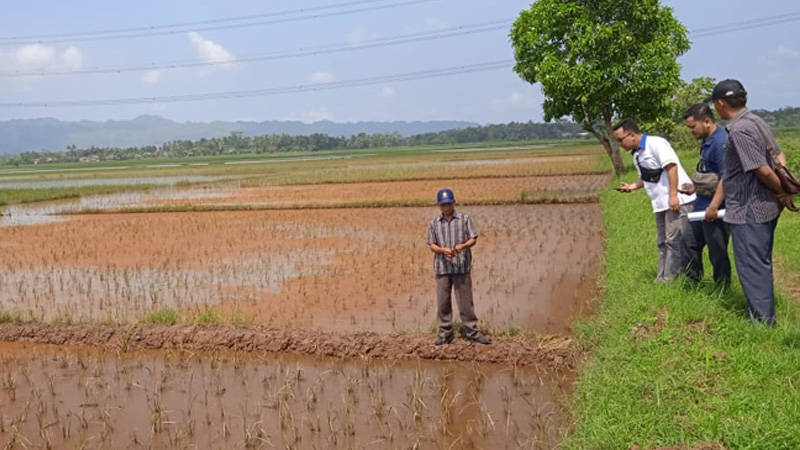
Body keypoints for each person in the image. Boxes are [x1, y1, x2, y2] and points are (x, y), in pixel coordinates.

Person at [708, 79, 791, 326]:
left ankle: (763, 323)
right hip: (763, 206)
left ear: (720, 103)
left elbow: (763, 170)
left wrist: (783, 192)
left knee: (752, 266)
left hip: (749, 209)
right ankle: (762, 315)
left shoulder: (740, 129)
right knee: (759, 262)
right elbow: (779, 155)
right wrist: (782, 187)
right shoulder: (757, 120)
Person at [615, 118, 697, 283]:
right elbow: (646, 177)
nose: (620, 144)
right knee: (662, 242)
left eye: (620, 140)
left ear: (631, 135)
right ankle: (661, 278)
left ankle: (671, 280)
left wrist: (673, 195)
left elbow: (671, 167)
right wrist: (632, 186)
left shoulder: (656, 144)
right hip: (660, 204)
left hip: (677, 200)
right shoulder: (637, 153)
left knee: (673, 241)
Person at [427, 188, 491, 345]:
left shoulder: (464, 219)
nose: (446, 207)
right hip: (442, 268)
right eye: (443, 205)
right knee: (443, 302)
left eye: (448, 204)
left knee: (465, 302)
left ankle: (472, 332)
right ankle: (445, 333)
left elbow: (473, 238)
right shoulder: (434, 224)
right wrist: (443, 250)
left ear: (454, 203)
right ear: (438, 205)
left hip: (461, 267)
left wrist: (462, 246)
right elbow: (432, 245)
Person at [680, 103, 732, 287]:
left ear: (707, 121)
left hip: (715, 210)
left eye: (693, 127)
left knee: (717, 251)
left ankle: (722, 288)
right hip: (701, 206)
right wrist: (695, 189)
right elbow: (712, 176)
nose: (691, 131)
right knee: (688, 243)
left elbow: (726, 178)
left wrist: (714, 207)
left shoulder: (720, 143)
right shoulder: (707, 141)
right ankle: (692, 284)